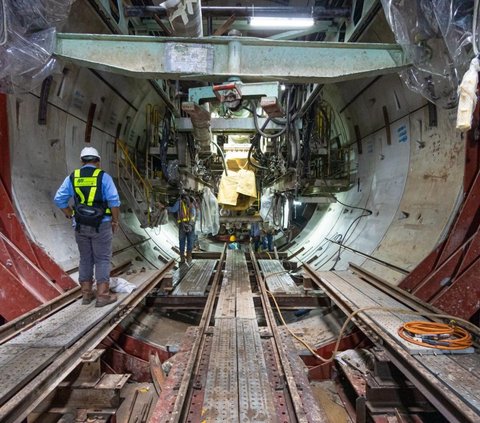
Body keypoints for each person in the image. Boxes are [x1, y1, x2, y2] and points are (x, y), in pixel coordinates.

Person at [54, 146, 120, 307]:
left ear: (82, 161)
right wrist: (115, 220)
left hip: (80, 224)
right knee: (102, 259)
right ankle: (103, 295)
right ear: (98, 161)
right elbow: (114, 201)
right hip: (101, 224)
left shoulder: (73, 177)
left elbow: (58, 198)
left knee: (85, 258)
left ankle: (86, 294)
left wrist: (69, 212)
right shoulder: (104, 177)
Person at [163, 194, 196, 263]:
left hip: (182, 225)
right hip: (190, 226)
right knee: (190, 241)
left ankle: (182, 259)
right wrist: (190, 225)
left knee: (182, 241)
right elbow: (193, 216)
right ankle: (189, 257)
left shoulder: (179, 203)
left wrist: (165, 207)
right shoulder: (191, 205)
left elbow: (173, 210)